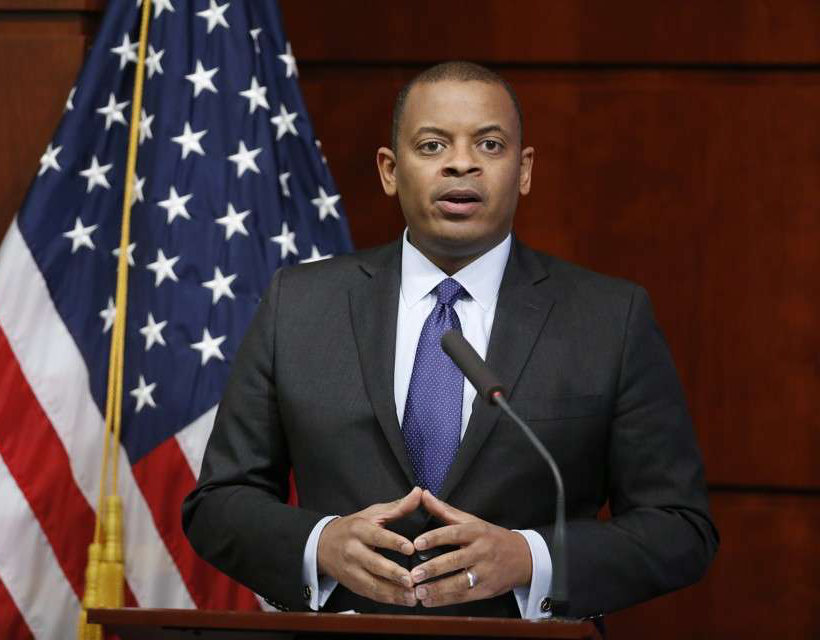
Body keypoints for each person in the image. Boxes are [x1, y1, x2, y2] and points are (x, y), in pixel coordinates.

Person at [182, 61, 718, 620]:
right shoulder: (299, 305)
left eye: (489, 144)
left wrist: (530, 558)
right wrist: (322, 544)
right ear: (390, 171)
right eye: (433, 145)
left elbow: (680, 528)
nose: (462, 163)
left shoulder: (610, 318)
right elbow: (220, 503)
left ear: (524, 169)